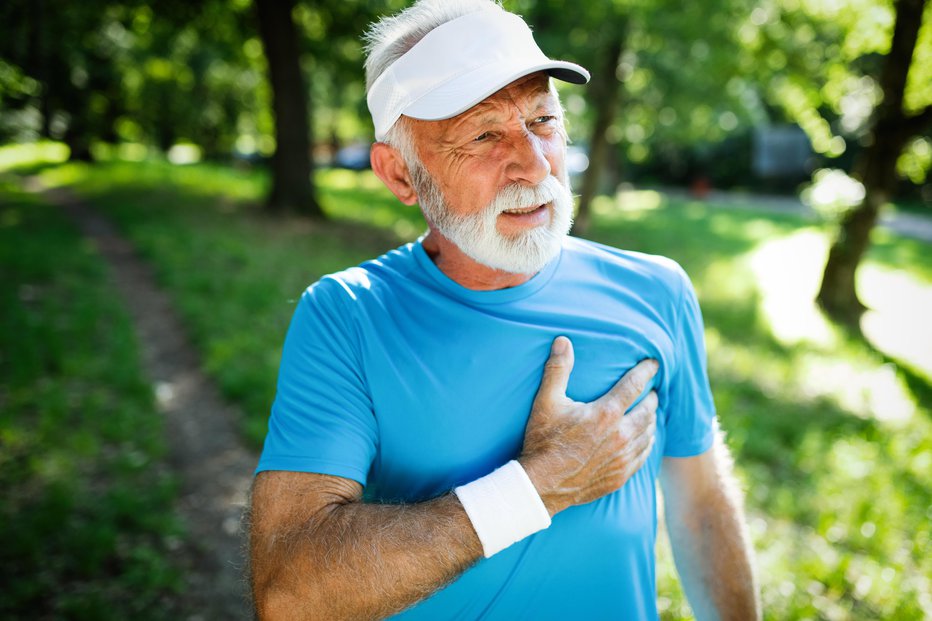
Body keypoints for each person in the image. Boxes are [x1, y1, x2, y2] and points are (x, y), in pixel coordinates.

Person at [248, 1, 760, 619]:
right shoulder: (347, 316)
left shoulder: (658, 290)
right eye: (485, 134)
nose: (535, 164)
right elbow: (290, 594)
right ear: (401, 174)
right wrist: (540, 484)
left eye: (542, 120)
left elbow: (701, 500)